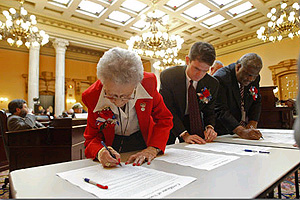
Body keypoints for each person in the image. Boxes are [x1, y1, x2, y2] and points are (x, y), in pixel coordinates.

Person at [82, 47, 173, 168]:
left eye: (126, 96)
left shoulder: (148, 83)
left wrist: (153, 148)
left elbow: (164, 119)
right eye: (112, 95)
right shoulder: (92, 96)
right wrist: (100, 152)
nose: (119, 102)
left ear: (136, 86)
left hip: (142, 140)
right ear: (103, 83)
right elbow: (91, 137)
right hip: (111, 144)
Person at [160, 41, 219, 145]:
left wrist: (210, 127)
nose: (199, 75)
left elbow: (209, 110)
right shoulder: (169, 76)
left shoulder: (212, 83)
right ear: (187, 60)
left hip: (194, 121)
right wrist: (184, 134)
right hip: (170, 121)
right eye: (196, 68)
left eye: (205, 71)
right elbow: (168, 109)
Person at [213, 53, 263, 140]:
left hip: (243, 130)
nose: (251, 79)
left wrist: (252, 124)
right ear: (238, 67)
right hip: (223, 130)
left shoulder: (255, 77)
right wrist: (241, 131)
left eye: (254, 76)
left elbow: (256, 101)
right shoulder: (221, 78)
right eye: (248, 75)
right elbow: (220, 110)